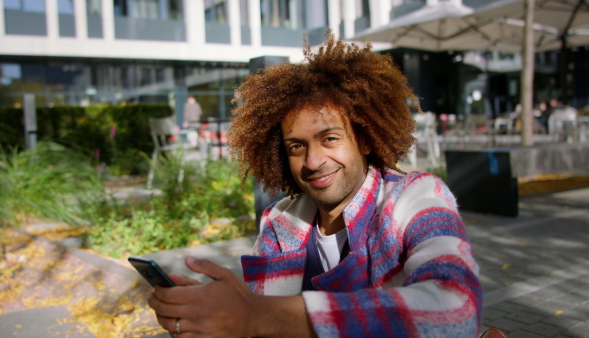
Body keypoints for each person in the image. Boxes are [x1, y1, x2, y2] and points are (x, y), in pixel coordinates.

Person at [148, 32, 482, 337]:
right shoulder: (279, 224)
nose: (312, 161)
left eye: (330, 138)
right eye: (297, 146)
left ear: (365, 140)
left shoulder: (414, 198)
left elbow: (457, 308)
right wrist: (215, 319)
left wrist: (259, 316)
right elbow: (257, 320)